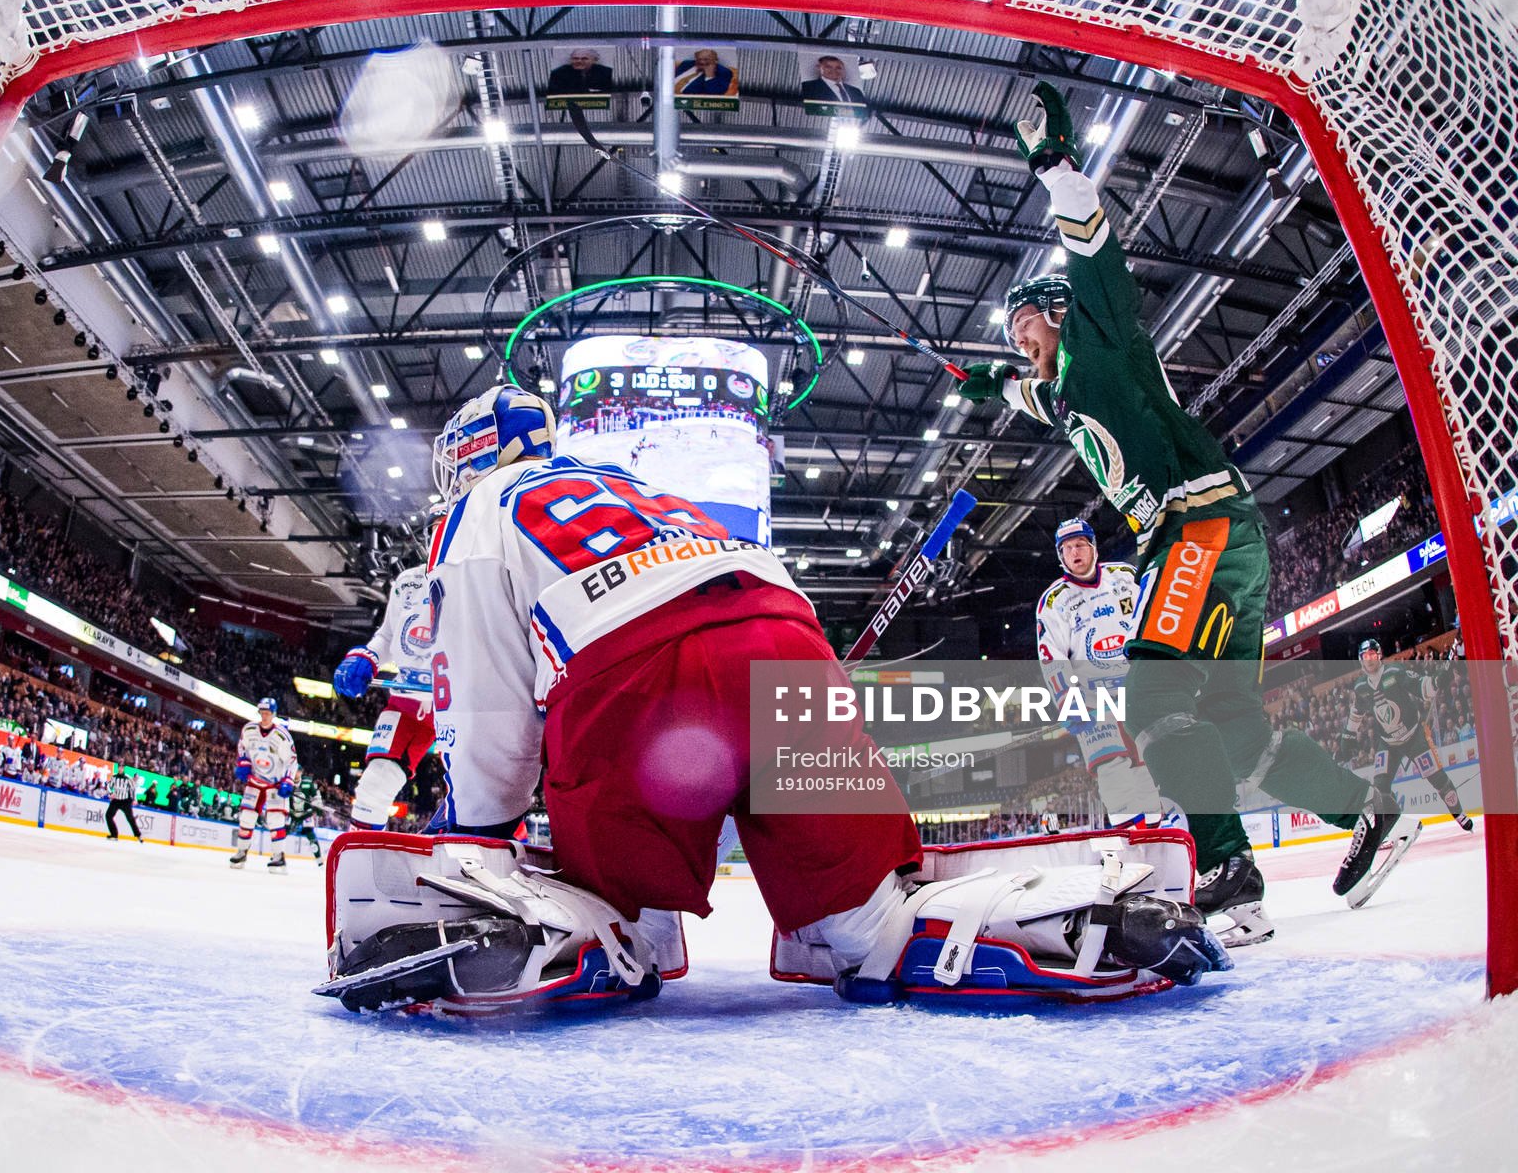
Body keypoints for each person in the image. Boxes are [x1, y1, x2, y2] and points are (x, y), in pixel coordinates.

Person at [315, 387, 1225, 1013]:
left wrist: (484, 841)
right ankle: (1073, 914)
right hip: (786, 636)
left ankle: (590, 936)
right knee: (870, 924)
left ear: (471, 455)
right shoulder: (639, 485)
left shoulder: (479, 513)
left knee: (618, 906)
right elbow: (750, 597)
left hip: (645, 681)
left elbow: (490, 703)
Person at [957, 83, 1413, 945]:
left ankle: (1230, 875)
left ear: (1060, 314)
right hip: (1222, 539)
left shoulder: (1100, 337)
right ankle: (1370, 807)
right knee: (1237, 734)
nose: (1020, 340)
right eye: (1013, 334)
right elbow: (1030, 395)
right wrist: (989, 384)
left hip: (1196, 527)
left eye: (1026, 324)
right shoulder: (1060, 390)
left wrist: (1055, 168)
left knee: (1157, 696)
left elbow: (1091, 238)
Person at [1035, 518, 1168, 827]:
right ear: (1060, 556)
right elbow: (1051, 658)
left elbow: (1151, 617)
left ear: (1093, 547)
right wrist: (1068, 700)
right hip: (1092, 697)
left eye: (1080, 544)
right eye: (1067, 548)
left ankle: (1154, 837)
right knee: (1112, 765)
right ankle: (1125, 843)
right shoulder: (1054, 601)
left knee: (1145, 765)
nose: (1074, 552)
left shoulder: (1124, 576)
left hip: (1135, 690)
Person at [334, 555, 437, 830]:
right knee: (374, 786)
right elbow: (388, 636)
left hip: (465, 706)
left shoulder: (483, 575)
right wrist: (367, 656)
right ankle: (362, 868)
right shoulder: (407, 581)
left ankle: (509, 862)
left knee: (486, 798)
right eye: (434, 526)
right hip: (408, 700)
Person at [1341, 638, 1474, 833]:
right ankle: (1388, 831)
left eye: (1371, 655)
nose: (1368, 659)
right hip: (1387, 743)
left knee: (1436, 778)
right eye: (1364, 656)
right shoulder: (1361, 687)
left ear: (1379, 655)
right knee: (1379, 789)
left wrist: (1438, 679)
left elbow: (1423, 687)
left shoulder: (1395, 672)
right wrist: (1348, 736)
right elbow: (1356, 713)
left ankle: (1458, 813)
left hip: (1414, 737)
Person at [230, 698, 299, 871]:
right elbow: (242, 748)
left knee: (275, 819)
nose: (265, 716)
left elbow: (292, 761)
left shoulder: (282, 736)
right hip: (255, 781)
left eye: (268, 713)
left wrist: (288, 781)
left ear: (274, 714)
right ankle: (241, 852)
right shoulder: (249, 730)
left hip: (274, 785)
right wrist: (243, 763)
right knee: (247, 816)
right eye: (262, 712)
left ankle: (278, 856)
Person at [800, 55, 866, 108]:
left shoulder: (856, 92)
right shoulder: (808, 87)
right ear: (819, 67)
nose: (834, 71)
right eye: (828, 67)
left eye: (838, 68)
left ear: (843, 69)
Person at [546, 49, 614, 96]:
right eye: (575, 58)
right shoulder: (559, 73)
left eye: (584, 58)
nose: (579, 61)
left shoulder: (606, 72)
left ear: (594, 60)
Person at [104, 765, 143, 843]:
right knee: (108, 816)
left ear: (123, 769)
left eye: (122, 768)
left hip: (125, 801)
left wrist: (134, 799)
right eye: (119, 767)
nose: (120, 769)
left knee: (130, 819)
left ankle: (138, 835)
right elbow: (108, 786)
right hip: (116, 800)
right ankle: (114, 834)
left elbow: (133, 789)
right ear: (118, 768)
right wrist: (110, 793)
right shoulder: (114, 777)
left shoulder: (128, 778)